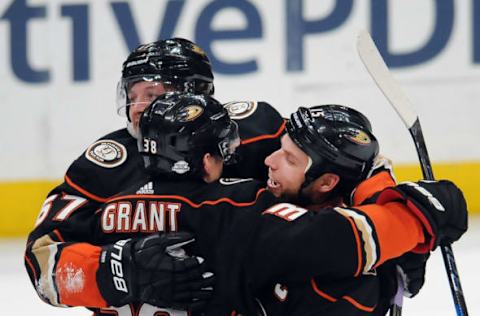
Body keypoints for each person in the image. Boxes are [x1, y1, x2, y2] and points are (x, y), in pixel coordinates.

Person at [92, 93, 466, 315]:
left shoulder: (107, 205)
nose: (267, 161)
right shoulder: (242, 208)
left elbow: (53, 262)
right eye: (224, 152)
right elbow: (334, 241)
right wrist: (411, 225)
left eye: (287, 157)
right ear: (206, 161)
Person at [24, 38, 285, 313]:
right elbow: (41, 265)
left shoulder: (253, 136)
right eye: (132, 96)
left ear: (195, 93)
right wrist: (117, 271)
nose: (137, 107)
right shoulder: (103, 166)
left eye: (150, 94)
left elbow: (320, 185)